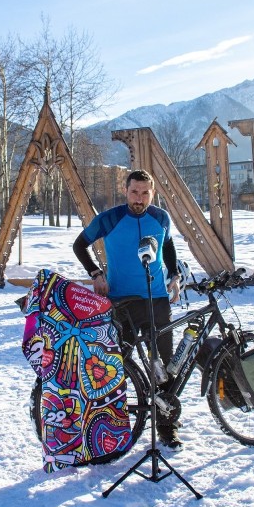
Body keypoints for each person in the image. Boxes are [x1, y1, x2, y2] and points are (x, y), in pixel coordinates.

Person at [72, 169, 183, 448]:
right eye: (135, 192)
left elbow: (168, 247)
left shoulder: (160, 218)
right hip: (121, 304)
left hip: (156, 300)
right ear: (126, 190)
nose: (139, 198)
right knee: (117, 366)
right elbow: (79, 245)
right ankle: (111, 422)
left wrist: (175, 276)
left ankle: (166, 425)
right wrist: (96, 274)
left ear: (152, 193)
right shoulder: (110, 218)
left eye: (145, 192)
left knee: (163, 365)